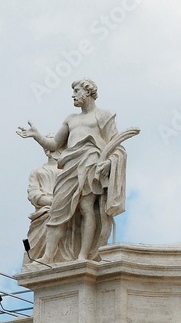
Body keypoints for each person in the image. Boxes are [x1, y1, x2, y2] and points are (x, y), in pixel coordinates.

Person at [17, 79, 133, 263]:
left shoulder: (104, 116)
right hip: (70, 166)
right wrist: (37, 136)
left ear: (87, 92)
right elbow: (55, 144)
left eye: (76, 91)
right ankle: (48, 256)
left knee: (87, 208)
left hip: (90, 163)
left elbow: (115, 146)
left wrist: (110, 163)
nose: (73, 95)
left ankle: (83, 256)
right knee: (57, 209)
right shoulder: (70, 119)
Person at [25, 142, 58, 261]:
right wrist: (49, 201)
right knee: (33, 247)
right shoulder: (37, 171)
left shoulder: (67, 169)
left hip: (63, 207)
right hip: (43, 210)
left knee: (57, 217)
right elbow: (33, 192)